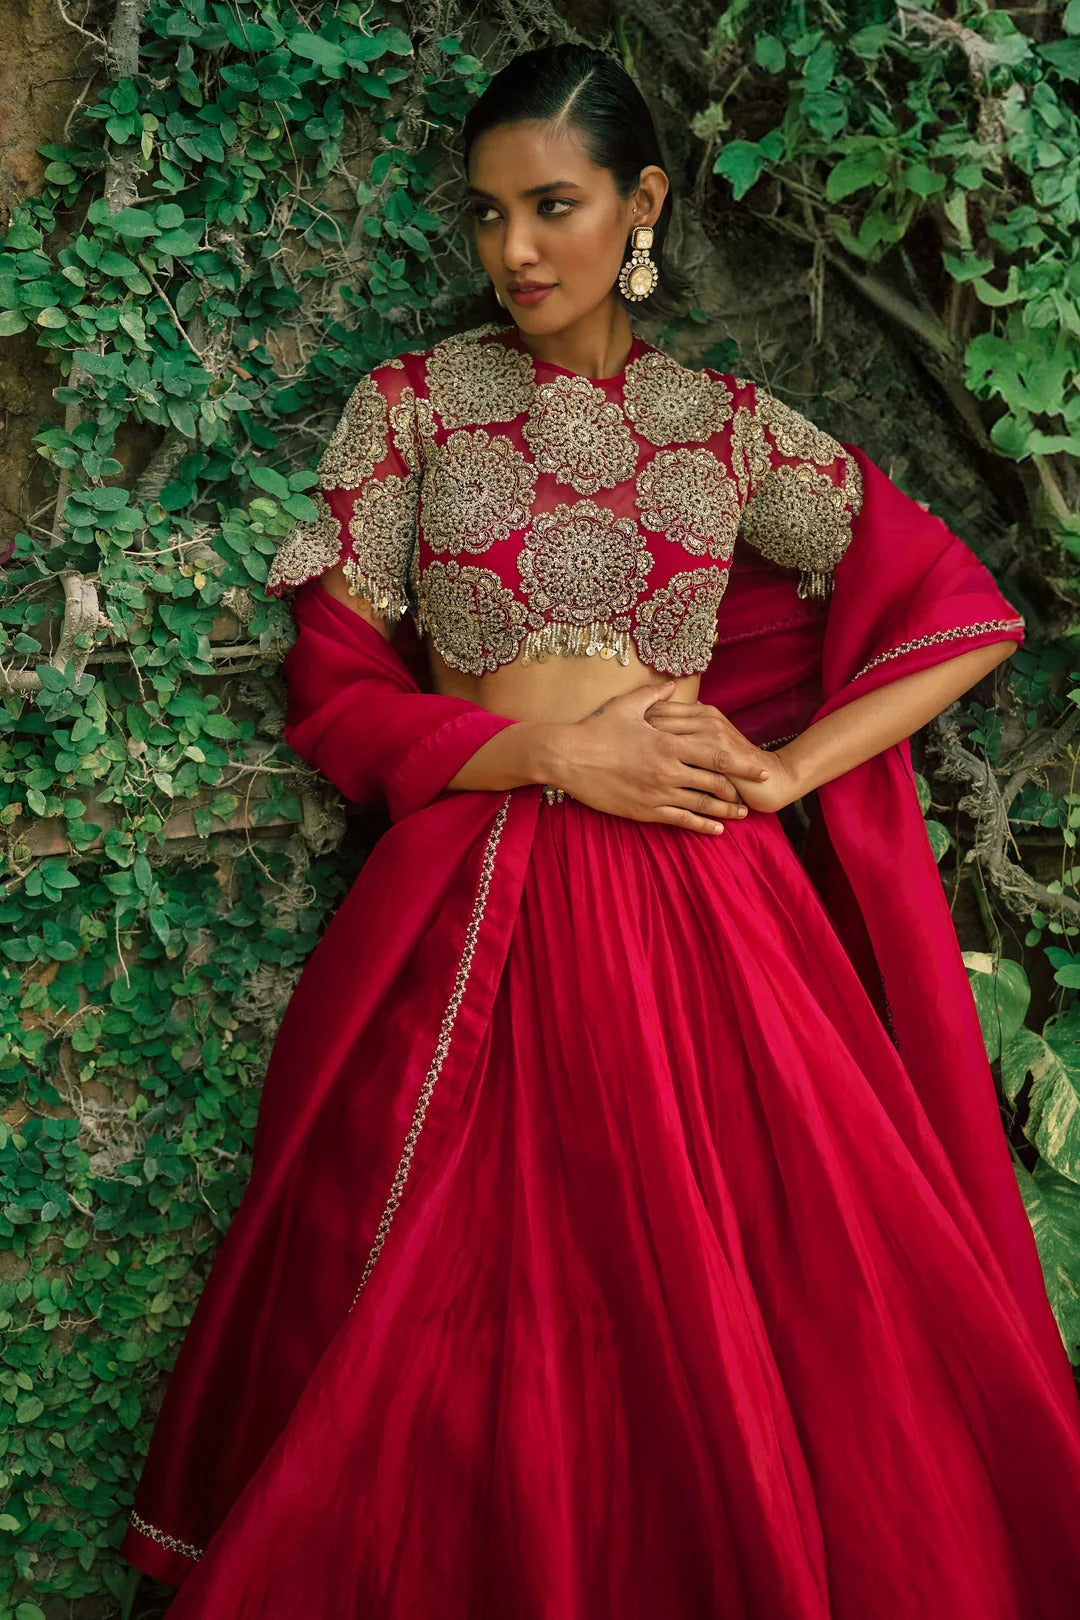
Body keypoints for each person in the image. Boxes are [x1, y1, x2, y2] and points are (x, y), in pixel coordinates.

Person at [119, 42, 1080, 1618]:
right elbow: (337, 690)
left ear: (639, 203)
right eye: (489, 214)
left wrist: (781, 774)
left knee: (726, 1294)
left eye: (552, 206)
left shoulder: (720, 426)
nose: (513, 252)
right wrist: (552, 752)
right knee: (440, 1290)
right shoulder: (411, 411)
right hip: (471, 888)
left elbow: (961, 612)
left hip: (707, 914)